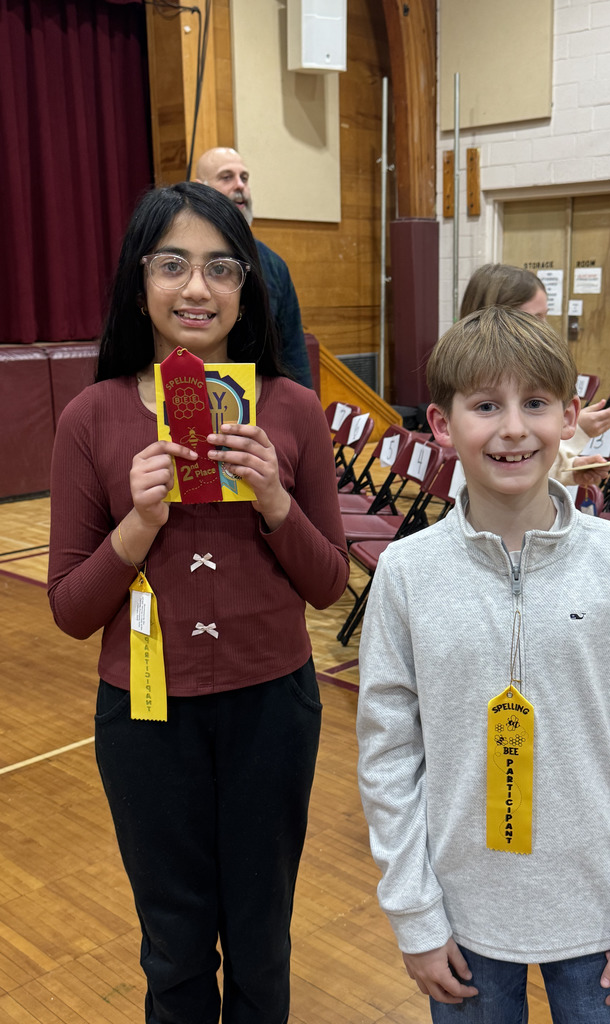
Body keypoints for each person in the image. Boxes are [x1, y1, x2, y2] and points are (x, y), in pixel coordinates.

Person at [48, 181, 349, 1024]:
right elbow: (71, 609)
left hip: (272, 708)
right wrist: (138, 524)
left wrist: (276, 501)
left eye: (222, 268)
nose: (196, 289)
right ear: (139, 281)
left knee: (262, 939)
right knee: (174, 945)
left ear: (246, 288)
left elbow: (330, 585)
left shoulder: (289, 409)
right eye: (173, 264)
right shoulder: (92, 418)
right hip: (146, 717)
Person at [357, 306, 610, 1023]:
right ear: (442, 426)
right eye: (485, 406)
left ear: (570, 416)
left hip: (604, 916)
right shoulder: (407, 574)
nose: (512, 428)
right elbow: (389, 756)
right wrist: (414, 913)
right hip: (462, 917)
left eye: (535, 403)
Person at [461, 263, 610, 486]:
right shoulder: (466, 374)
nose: (545, 328)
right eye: (535, 318)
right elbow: (501, 466)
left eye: (535, 404)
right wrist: (579, 431)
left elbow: (520, 461)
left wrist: (568, 470)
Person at [196, 146, 313, 388]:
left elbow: (294, 356)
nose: (239, 186)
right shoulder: (175, 262)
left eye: (244, 178)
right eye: (226, 177)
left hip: (258, 404)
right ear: (200, 187)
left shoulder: (274, 266)